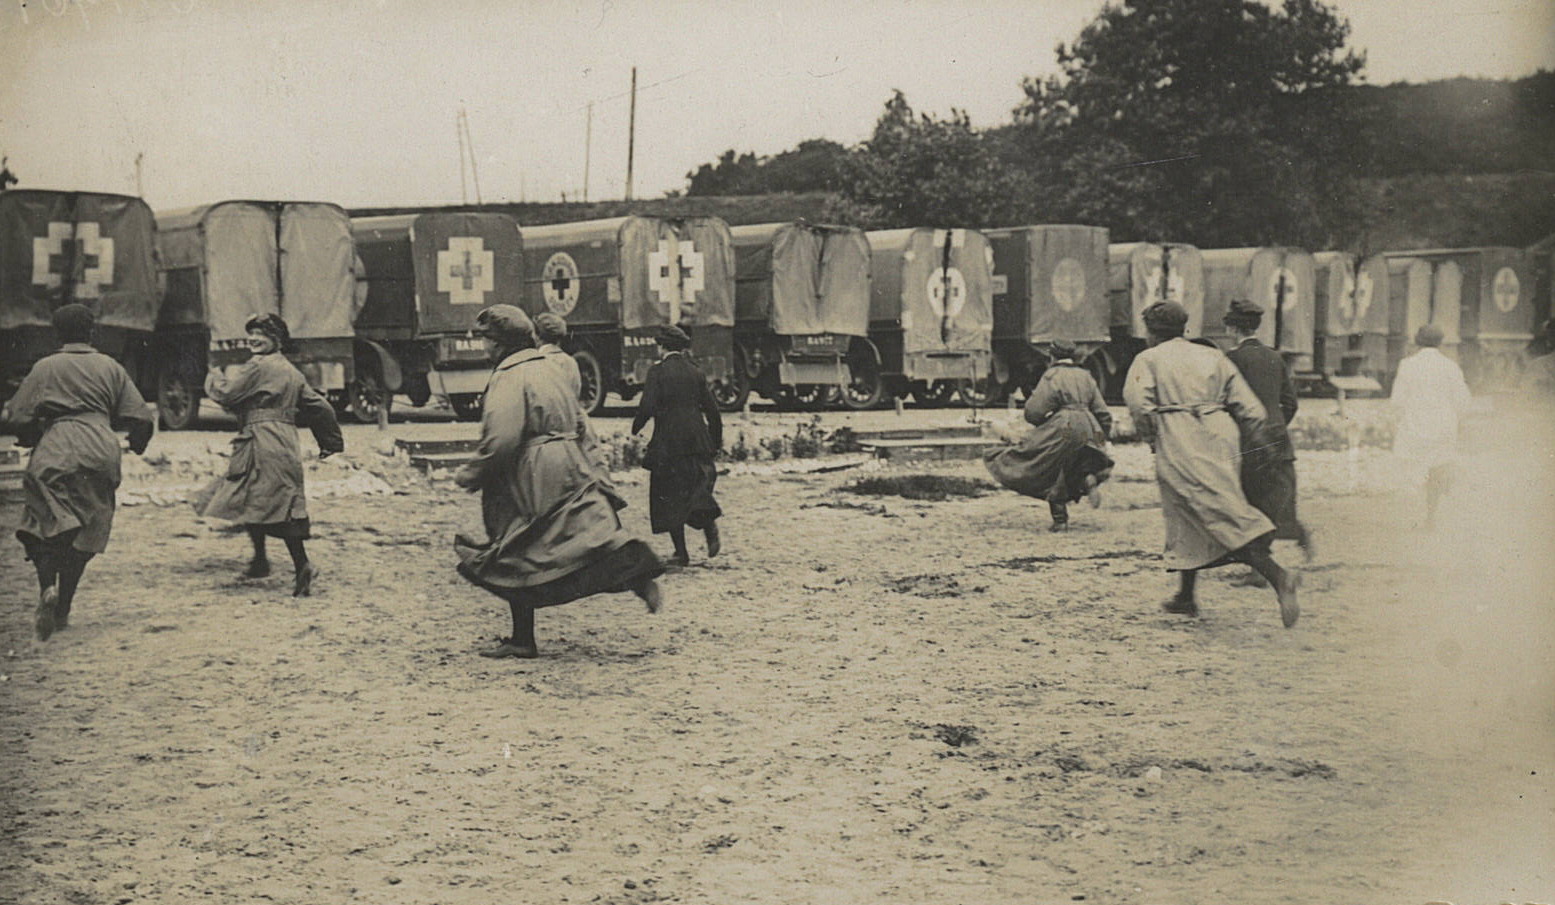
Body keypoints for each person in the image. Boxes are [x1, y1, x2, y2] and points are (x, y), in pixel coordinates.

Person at [453, 305, 664, 659]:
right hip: (569, 460)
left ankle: (523, 639)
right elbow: (582, 422)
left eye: (487, 339)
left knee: (516, 547)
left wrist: (474, 472)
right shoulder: (551, 369)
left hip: (528, 469)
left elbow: (503, 437)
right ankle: (634, 572)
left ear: (502, 343)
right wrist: (594, 468)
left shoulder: (509, 376)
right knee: (580, 536)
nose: (484, 347)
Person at [1123, 301, 1300, 628]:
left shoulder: (1148, 359)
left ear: (1151, 332)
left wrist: (1152, 440)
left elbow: (1139, 405)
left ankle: (1278, 576)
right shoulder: (1211, 356)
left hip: (1180, 434)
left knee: (1212, 510)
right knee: (1190, 510)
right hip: (1220, 433)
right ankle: (1185, 596)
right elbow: (1249, 406)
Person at [3, 304, 153, 640]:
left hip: (56, 443)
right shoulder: (110, 367)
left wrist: (30, 435)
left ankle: (47, 587)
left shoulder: (46, 367)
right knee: (90, 525)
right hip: (100, 444)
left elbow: (16, 416)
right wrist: (137, 443)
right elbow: (142, 417)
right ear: (92, 331)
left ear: (58, 332)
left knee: (41, 521)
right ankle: (65, 606)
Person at [194, 314, 343, 597]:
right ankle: (262, 561)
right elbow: (320, 407)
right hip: (285, 442)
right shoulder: (291, 371)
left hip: (258, 441)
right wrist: (330, 442)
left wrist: (213, 376)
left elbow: (227, 394)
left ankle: (300, 565)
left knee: (255, 498)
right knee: (270, 501)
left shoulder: (258, 366)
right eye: (251, 333)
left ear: (276, 339)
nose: (253, 339)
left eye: (260, 334)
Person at [983, 339, 1113, 531]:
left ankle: (1060, 520)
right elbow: (1103, 412)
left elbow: (1033, 411)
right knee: (1080, 461)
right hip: (1089, 424)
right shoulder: (1086, 376)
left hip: (1063, 425)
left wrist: (1043, 426)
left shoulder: (1052, 376)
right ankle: (1087, 479)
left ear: (1052, 357)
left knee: (1051, 467)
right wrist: (1102, 436)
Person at [1222, 299, 1314, 561]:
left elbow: (1227, 403)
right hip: (1277, 440)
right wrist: (1276, 428)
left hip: (1249, 440)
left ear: (1232, 329)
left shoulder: (1231, 359)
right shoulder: (1274, 357)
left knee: (1251, 502)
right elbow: (1291, 402)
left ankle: (1258, 569)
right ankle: (1298, 535)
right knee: (1278, 499)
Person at [631, 325, 723, 566]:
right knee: (696, 488)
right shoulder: (696, 372)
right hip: (696, 439)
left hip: (667, 443)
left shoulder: (657, 372)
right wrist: (715, 441)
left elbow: (647, 407)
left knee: (667, 496)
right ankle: (709, 526)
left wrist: (636, 427)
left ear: (661, 346)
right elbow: (713, 411)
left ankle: (681, 553)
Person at [1389, 323, 1472, 529]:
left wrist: (1400, 420)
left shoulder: (1407, 365)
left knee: (1414, 470)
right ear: (1440, 342)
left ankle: (1412, 518)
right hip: (1443, 426)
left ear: (1417, 341)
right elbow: (1463, 401)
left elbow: (1397, 400)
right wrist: (1457, 420)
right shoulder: (1450, 366)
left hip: (1415, 424)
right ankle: (1431, 514)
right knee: (1437, 469)